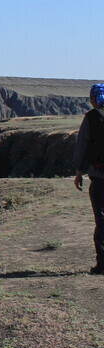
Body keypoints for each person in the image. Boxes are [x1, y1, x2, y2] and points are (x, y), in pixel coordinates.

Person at [74, 83, 104, 274]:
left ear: (94, 99)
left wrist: (78, 172)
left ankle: (102, 264)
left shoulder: (92, 118)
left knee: (101, 219)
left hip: (99, 175)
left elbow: (82, 146)